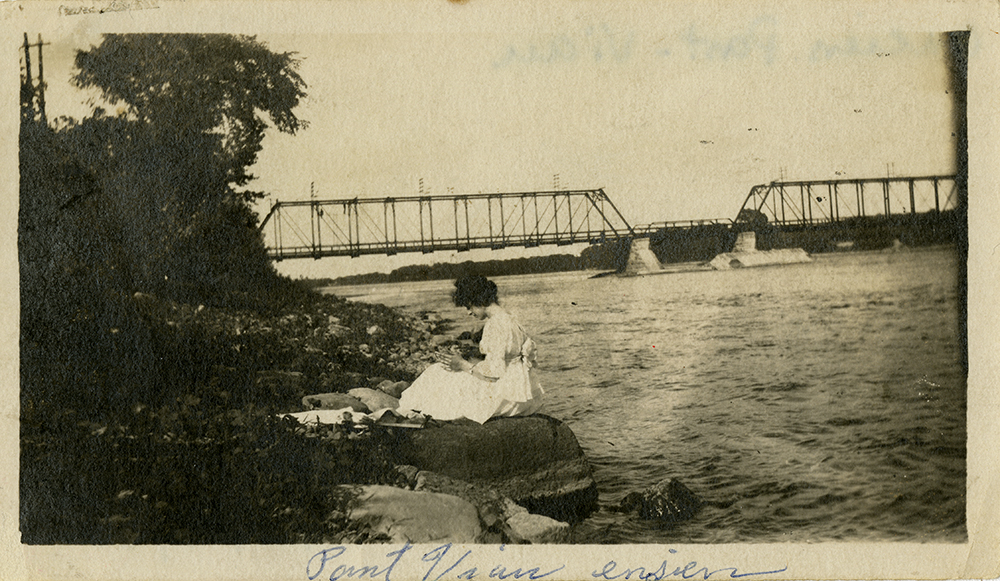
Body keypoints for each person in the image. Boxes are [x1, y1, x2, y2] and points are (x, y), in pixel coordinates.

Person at [398, 276, 543, 424]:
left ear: (480, 301)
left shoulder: (495, 325)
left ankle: (411, 411)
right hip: (524, 393)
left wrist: (463, 365)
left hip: (507, 396)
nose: (468, 312)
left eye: (469, 306)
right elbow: (508, 360)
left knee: (438, 372)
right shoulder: (510, 318)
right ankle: (417, 410)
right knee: (445, 375)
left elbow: (495, 373)